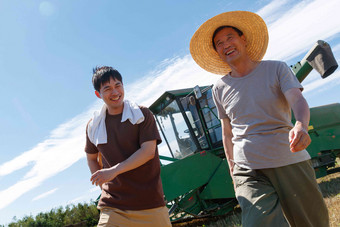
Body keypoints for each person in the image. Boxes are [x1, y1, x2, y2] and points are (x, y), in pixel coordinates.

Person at [190, 11, 329, 227]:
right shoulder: (219, 89)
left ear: (243, 38)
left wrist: (300, 124)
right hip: (248, 169)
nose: (225, 44)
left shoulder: (276, 68)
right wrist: (234, 172)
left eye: (229, 37)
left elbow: (297, 100)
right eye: (219, 43)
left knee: (312, 222)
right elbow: (227, 133)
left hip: (287, 158)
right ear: (217, 52)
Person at [84, 66, 171, 227]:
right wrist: (103, 184)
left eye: (118, 85)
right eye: (107, 88)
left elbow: (148, 152)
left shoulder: (142, 114)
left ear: (123, 86)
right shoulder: (93, 126)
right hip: (113, 207)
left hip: (150, 204)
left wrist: (113, 171)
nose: (115, 92)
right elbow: (90, 157)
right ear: (98, 94)